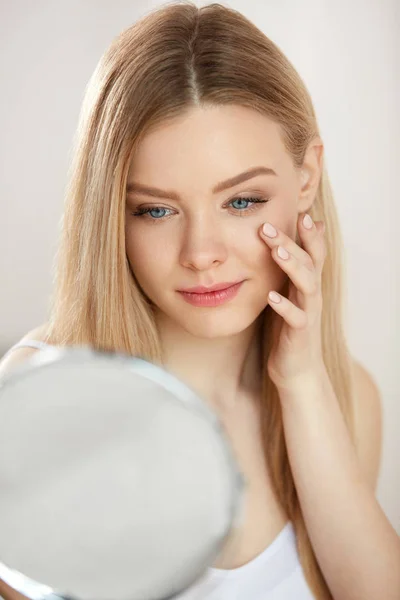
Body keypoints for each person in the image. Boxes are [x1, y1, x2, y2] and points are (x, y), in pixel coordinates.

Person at [1, 2, 399, 599]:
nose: (200, 252)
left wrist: (303, 384)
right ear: (111, 212)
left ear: (307, 178)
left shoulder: (347, 397)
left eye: (242, 201)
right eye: (154, 210)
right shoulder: (42, 410)